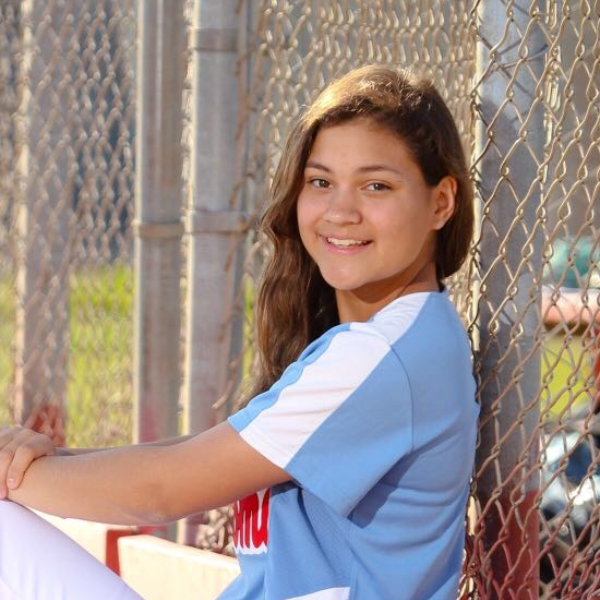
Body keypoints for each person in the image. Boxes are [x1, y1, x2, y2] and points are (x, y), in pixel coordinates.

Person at [0, 65, 479, 600]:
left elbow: (165, 488)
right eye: (320, 182)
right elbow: (208, 452)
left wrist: (13, 476)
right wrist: (48, 461)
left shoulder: (384, 354)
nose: (341, 211)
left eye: (376, 186)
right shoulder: (400, 336)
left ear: (441, 203)